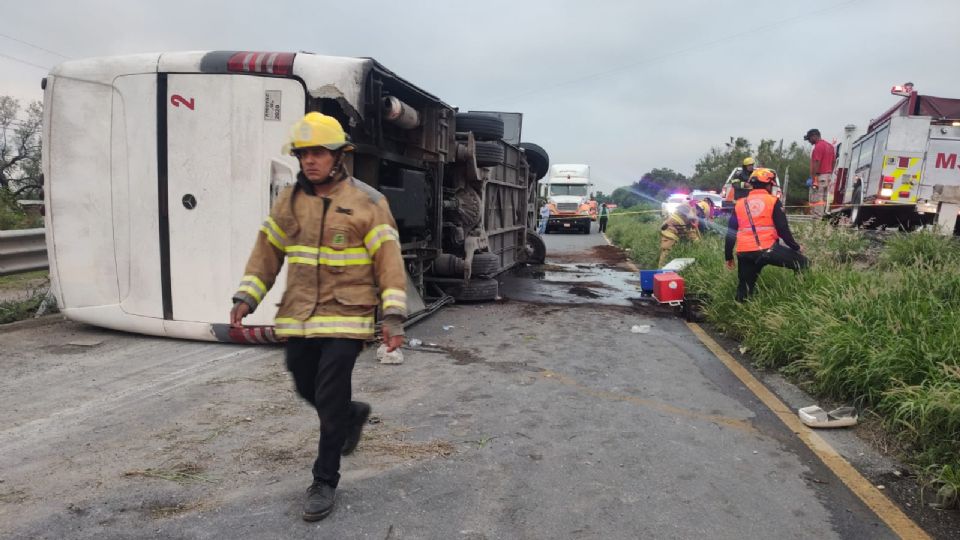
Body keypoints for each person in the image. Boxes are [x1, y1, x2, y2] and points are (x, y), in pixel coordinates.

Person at [229, 112, 407, 522]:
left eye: (319, 152)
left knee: (329, 395)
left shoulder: (368, 202)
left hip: (347, 316)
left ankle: (324, 480)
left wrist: (393, 316)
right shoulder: (289, 202)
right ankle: (350, 414)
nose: (310, 160)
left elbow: (389, 261)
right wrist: (246, 297)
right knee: (301, 379)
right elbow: (267, 253)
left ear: (338, 155)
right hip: (300, 315)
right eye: (303, 153)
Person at [725, 168, 809, 302]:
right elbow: (782, 229)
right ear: (768, 185)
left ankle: (739, 310)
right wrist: (796, 247)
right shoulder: (773, 201)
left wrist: (728, 256)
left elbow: (730, 231)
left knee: (744, 289)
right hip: (768, 249)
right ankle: (800, 298)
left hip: (744, 252)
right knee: (803, 263)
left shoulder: (740, 204)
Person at [804, 128, 835, 217]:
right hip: (828, 176)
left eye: (809, 138)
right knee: (823, 199)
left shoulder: (818, 146)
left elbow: (816, 162)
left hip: (819, 176)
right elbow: (833, 162)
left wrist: (813, 178)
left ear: (814, 136)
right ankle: (822, 217)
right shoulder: (830, 146)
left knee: (816, 199)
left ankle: (816, 219)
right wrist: (830, 173)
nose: (809, 141)